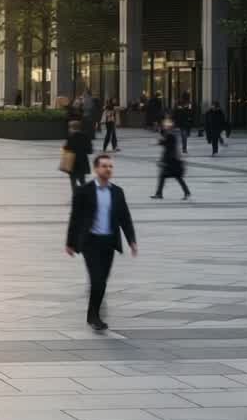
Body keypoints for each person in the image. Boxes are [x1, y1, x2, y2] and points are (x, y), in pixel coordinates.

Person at [65, 154, 137, 332]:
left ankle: (92, 314)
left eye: (110, 166)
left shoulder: (117, 192)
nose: (108, 169)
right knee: (97, 280)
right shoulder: (84, 191)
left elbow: (124, 218)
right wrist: (70, 242)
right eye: (104, 166)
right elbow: (75, 218)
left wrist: (131, 241)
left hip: (109, 242)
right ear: (96, 169)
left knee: (102, 281)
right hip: (90, 242)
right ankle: (95, 317)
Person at [152, 117, 191, 200]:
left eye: (166, 126)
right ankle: (186, 192)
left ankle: (159, 194)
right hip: (172, 159)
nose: (165, 127)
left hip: (172, 160)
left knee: (169, 177)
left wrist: (161, 142)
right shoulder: (171, 134)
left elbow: (167, 144)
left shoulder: (171, 135)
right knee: (172, 177)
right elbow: (165, 139)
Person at [64, 120, 92, 189]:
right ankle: (85, 195)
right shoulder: (85, 136)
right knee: (82, 180)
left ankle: (75, 195)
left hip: (72, 162)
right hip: (83, 162)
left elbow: (67, 149)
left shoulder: (70, 137)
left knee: (73, 182)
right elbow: (90, 151)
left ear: (72, 128)